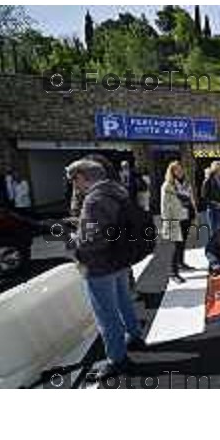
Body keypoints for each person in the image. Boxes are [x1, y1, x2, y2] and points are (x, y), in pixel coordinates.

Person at [65, 158, 143, 379]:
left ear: (82, 177)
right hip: (120, 258)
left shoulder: (93, 201)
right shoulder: (118, 192)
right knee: (123, 300)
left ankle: (117, 359)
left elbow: (88, 240)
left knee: (106, 314)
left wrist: (70, 236)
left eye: (74, 180)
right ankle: (135, 335)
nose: (74, 185)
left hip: (99, 265)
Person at [161, 161, 190, 283]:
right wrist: (166, 220)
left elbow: (189, 198)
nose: (179, 172)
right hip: (173, 218)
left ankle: (180, 263)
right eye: (176, 170)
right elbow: (164, 204)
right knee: (174, 246)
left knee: (181, 243)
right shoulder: (167, 185)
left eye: (180, 169)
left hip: (184, 216)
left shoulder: (183, 183)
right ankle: (173, 273)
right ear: (171, 172)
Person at [201, 161, 220, 234]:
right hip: (213, 209)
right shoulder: (208, 181)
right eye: (218, 168)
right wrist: (217, 204)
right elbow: (204, 198)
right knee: (214, 231)